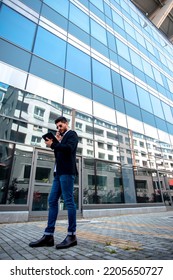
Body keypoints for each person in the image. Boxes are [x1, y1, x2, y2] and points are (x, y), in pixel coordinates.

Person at [29, 116, 78, 249]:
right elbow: (60, 151)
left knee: (69, 202)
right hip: (58, 173)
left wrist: (55, 144)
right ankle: (48, 235)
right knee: (51, 200)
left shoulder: (72, 134)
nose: (59, 128)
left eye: (60, 125)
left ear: (66, 124)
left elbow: (69, 149)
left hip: (67, 172)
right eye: (57, 127)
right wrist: (56, 142)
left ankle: (72, 235)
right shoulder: (62, 138)